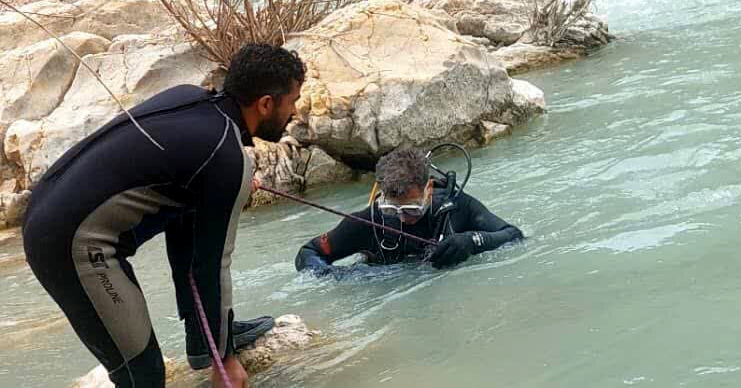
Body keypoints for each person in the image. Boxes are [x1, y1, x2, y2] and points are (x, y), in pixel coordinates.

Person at [22, 44, 305, 387]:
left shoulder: (190, 98)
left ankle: (206, 340)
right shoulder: (226, 156)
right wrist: (225, 362)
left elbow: (190, 227)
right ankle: (211, 344)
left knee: (189, 215)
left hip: (44, 211)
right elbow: (212, 264)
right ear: (265, 104)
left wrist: (217, 339)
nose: (295, 112)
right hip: (73, 243)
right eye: (293, 101)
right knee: (144, 375)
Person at [295, 148, 524, 272]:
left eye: (412, 209)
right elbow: (308, 252)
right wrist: (329, 275)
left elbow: (513, 235)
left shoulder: (457, 206)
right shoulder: (369, 221)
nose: (404, 218)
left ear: (429, 188)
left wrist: (471, 241)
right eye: (393, 210)